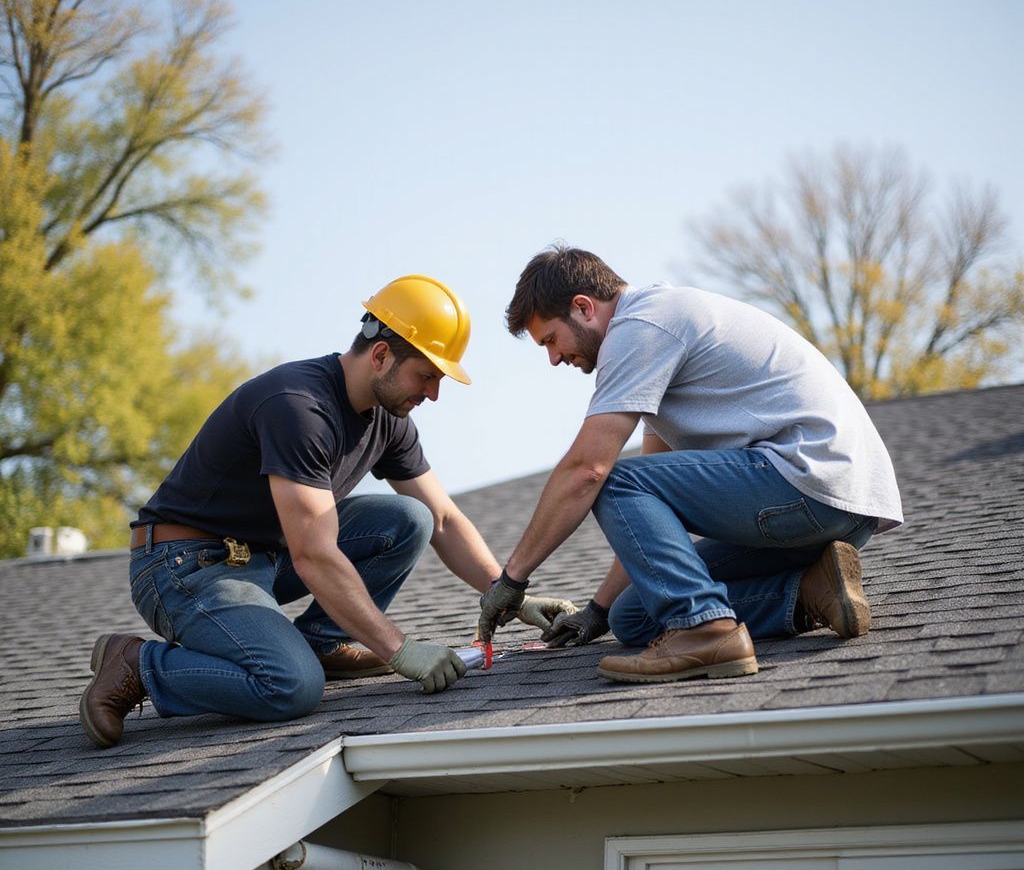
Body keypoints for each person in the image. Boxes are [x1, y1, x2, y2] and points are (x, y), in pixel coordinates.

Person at [81, 275, 574, 748]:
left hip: (265, 558)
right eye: (427, 375)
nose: (433, 394)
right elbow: (314, 554)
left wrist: (507, 594)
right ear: (381, 356)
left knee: (411, 520)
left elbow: (442, 518)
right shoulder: (298, 407)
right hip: (184, 565)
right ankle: (139, 664)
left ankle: (323, 642)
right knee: (291, 685)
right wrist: (398, 649)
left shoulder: (389, 420)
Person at [476, 245, 903, 684]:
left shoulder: (639, 327)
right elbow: (643, 515)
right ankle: (814, 592)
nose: (553, 359)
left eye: (550, 340)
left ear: (584, 308)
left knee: (612, 480)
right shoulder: (659, 344)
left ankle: (705, 630)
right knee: (634, 615)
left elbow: (590, 471)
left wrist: (512, 580)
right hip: (846, 507)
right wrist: (597, 610)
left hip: (808, 481)